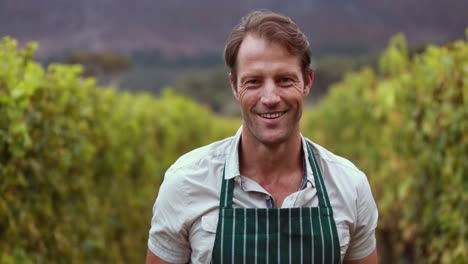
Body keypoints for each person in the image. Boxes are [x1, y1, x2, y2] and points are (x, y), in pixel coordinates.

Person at [146, 10, 378, 264]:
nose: (270, 98)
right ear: (234, 86)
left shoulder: (350, 186)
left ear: (307, 82)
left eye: (285, 80)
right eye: (254, 82)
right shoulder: (186, 183)